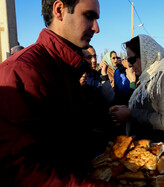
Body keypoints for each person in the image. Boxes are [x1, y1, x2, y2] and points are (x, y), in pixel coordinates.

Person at [0, 0, 108, 186]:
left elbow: (66, 143)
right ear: (59, 10)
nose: (96, 28)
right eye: (89, 16)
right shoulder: (22, 70)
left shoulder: (67, 66)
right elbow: (20, 171)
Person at [109, 35, 164, 142]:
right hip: (145, 147)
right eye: (128, 60)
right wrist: (127, 109)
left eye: (132, 59)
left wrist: (131, 113)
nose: (130, 65)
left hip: (159, 151)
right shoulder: (148, 75)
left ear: (146, 55)